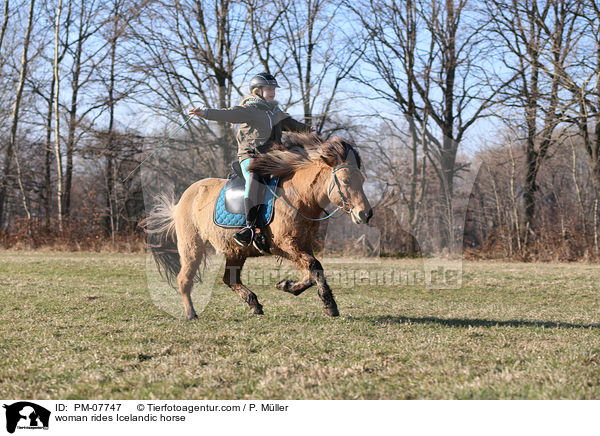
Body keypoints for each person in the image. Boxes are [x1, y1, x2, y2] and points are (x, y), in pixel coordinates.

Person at [189, 73, 312, 249]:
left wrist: (307, 129)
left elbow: (291, 124)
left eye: (273, 89)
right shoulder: (250, 110)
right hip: (250, 157)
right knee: (254, 178)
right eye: (269, 89)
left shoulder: (275, 112)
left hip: (272, 158)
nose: (272, 92)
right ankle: (249, 227)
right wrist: (206, 113)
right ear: (257, 91)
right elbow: (229, 115)